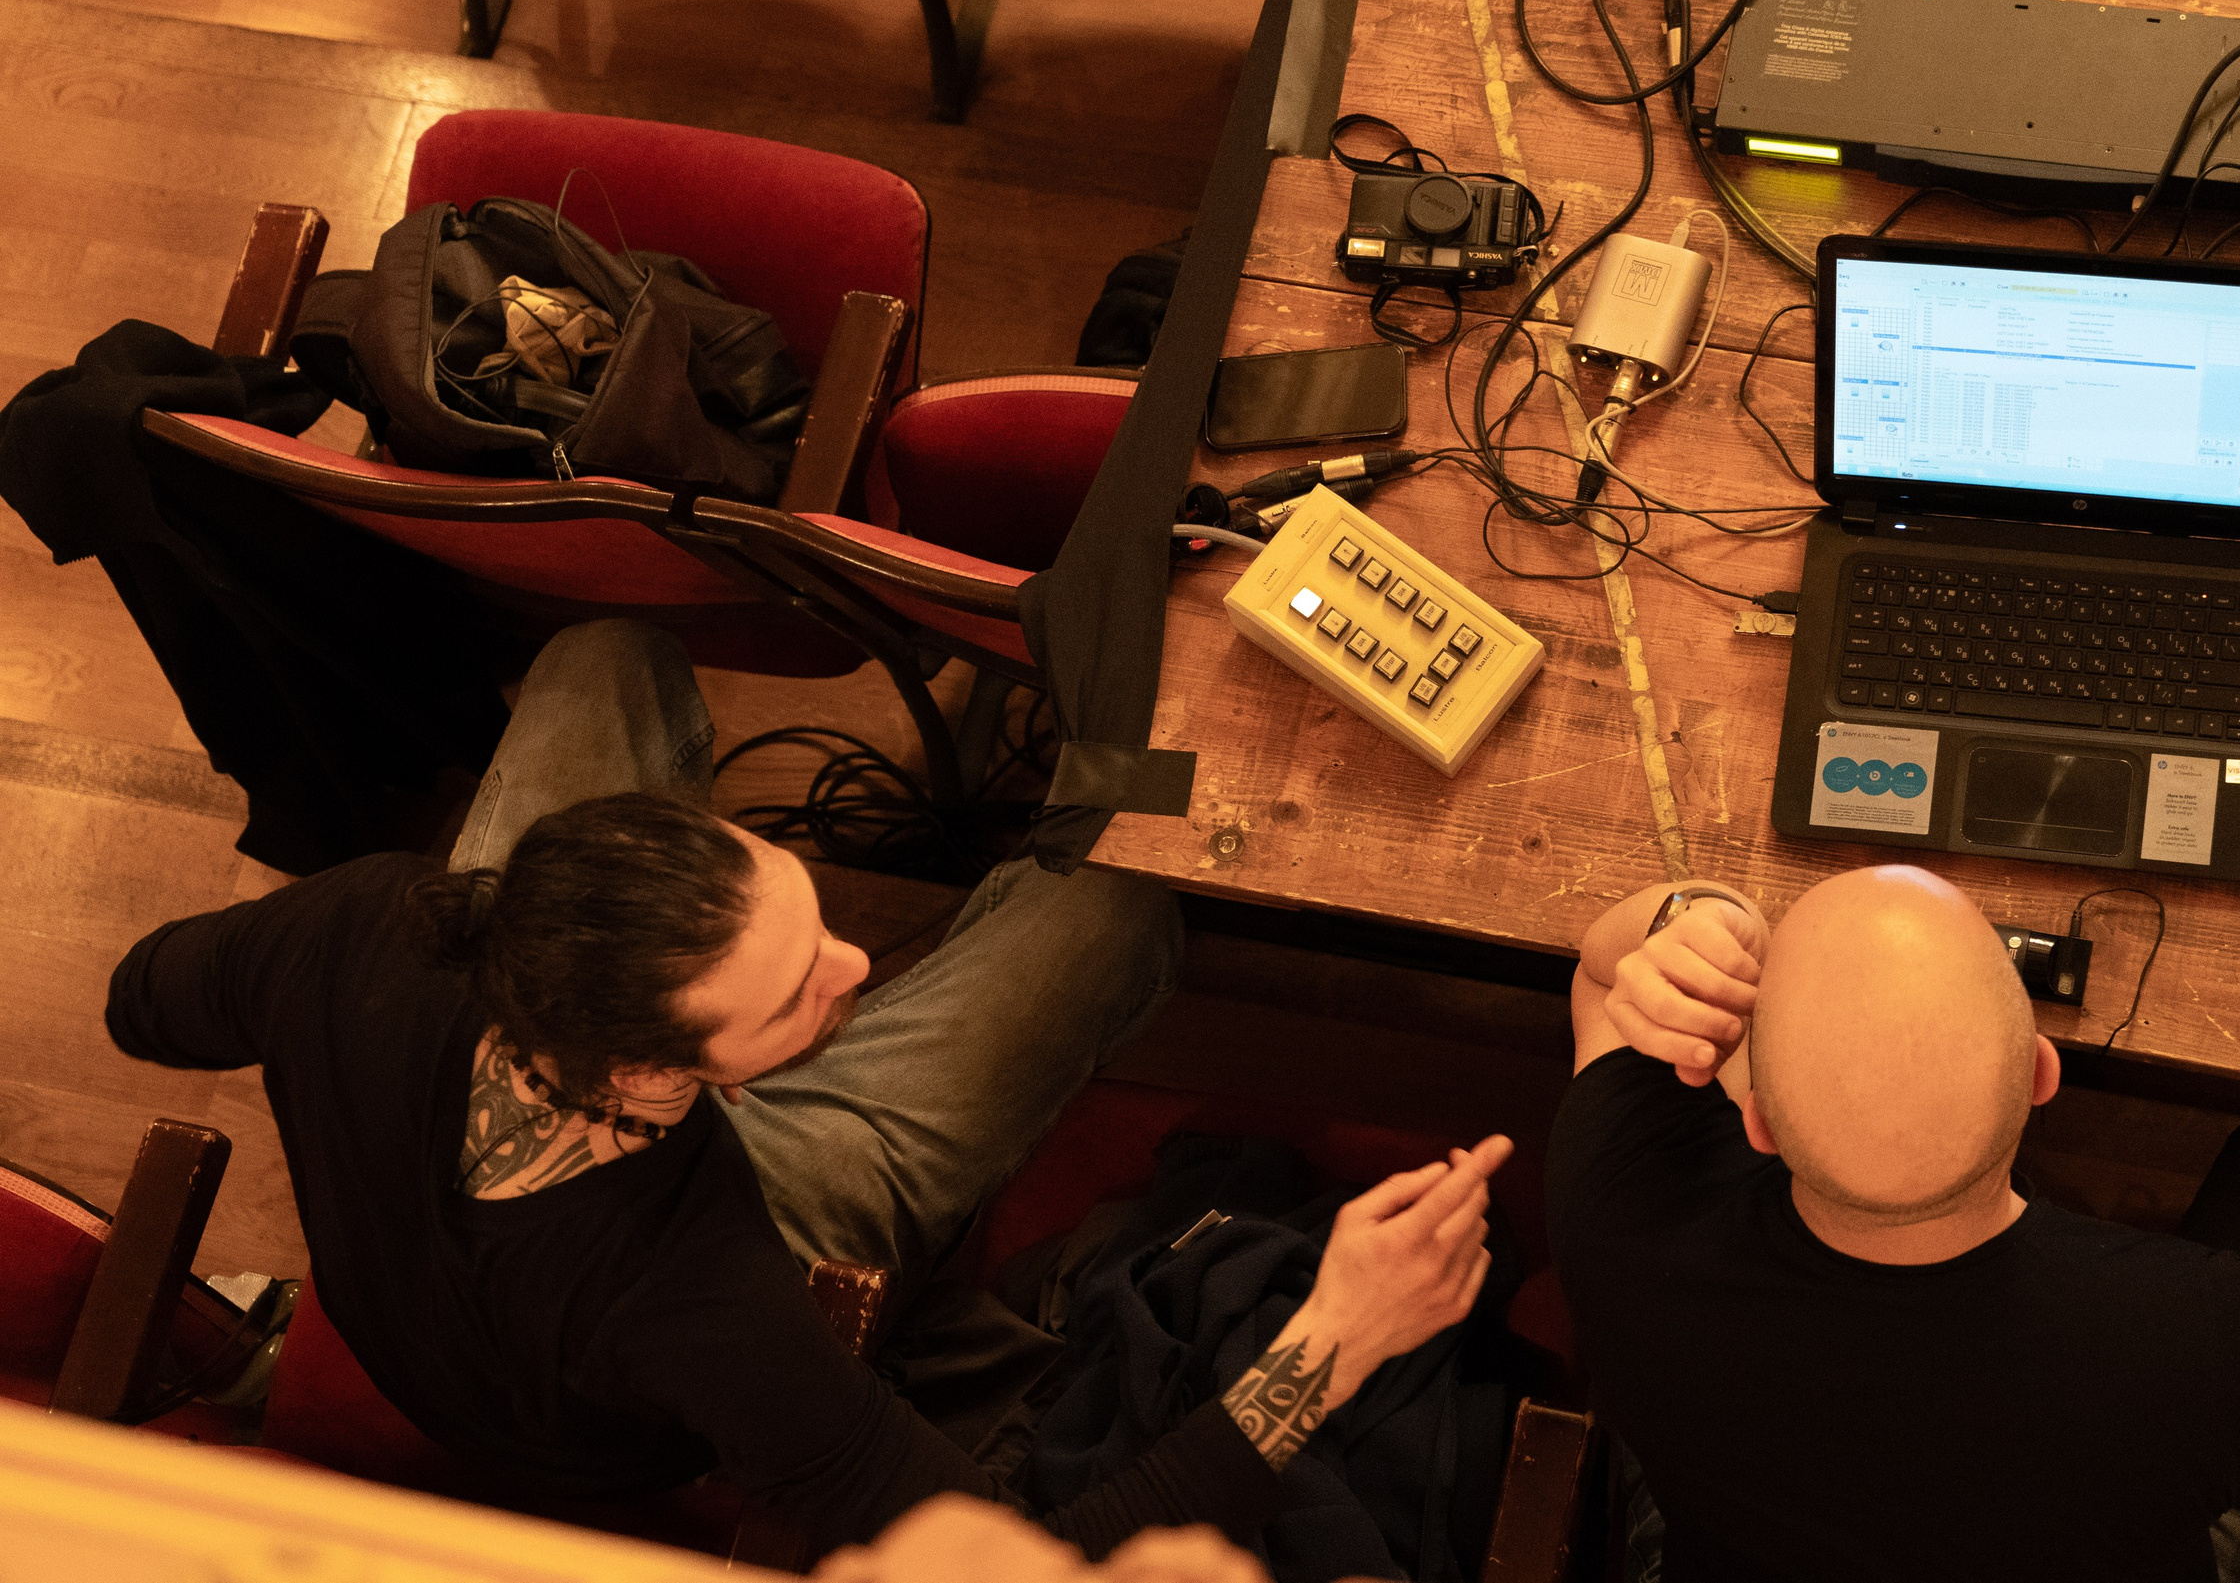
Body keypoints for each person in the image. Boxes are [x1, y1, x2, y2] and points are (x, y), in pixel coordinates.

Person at [107, 619, 1513, 1568]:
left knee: (606, 653)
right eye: (796, 999)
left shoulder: (363, 924)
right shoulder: (709, 1297)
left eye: (805, 916)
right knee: (1116, 914)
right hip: (597, 1379)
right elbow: (1032, 1566)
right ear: (655, 1070)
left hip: (429, 1284)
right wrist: (1338, 1330)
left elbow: (140, 1000)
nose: (854, 962)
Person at [1549, 813, 2240, 1583]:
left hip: (1743, 1527)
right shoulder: (2189, 1339)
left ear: (1755, 1121)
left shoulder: (1623, 1217)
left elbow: (1603, 982)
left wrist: (1694, 917)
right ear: (2040, 1073)